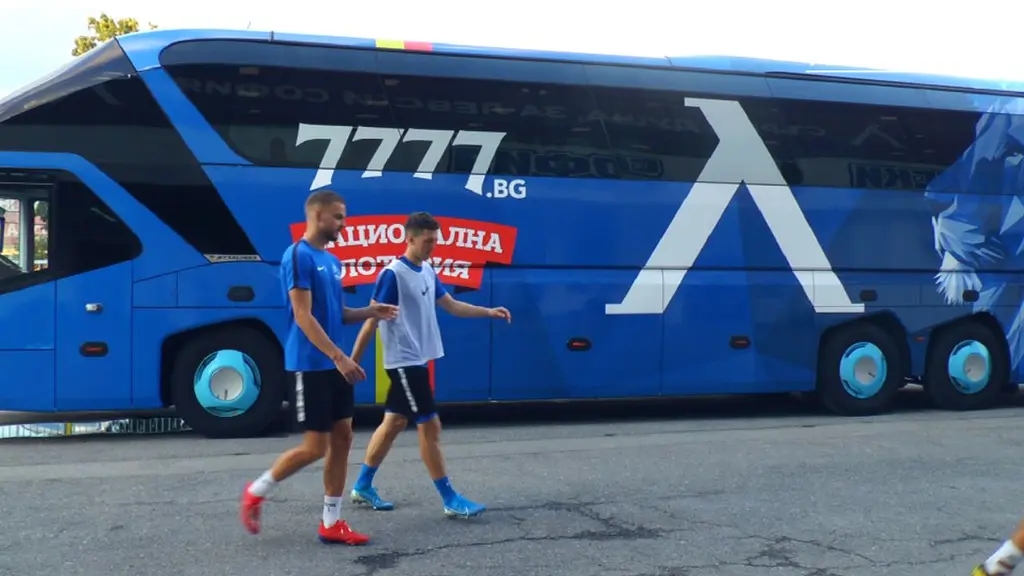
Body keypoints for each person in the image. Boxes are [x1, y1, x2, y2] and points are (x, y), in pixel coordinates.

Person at [239, 189, 398, 545]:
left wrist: (371, 311)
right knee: (315, 447)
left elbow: (337, 314)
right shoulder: (298, 255)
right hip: (309, 365)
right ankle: (256, 490)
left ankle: (331, 522)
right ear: (317, 216)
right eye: (338, 217)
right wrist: (340, 357)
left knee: (343, 438)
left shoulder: (332, 260)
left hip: (332, 365)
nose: (343, 223)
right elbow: (303, 316)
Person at [347, 211, 511, 518]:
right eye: (428, 241)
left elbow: (452, 305)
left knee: (395, 422)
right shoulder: (393, 274)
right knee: (430, 425)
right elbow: (371, 319)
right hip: (404, 361)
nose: (433, 246)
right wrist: (351, 361)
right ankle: (450, 498)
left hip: (418, 360)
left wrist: (488, 312)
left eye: (435, 240)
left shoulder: (427, 270)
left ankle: (362, 486)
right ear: (409, 239)